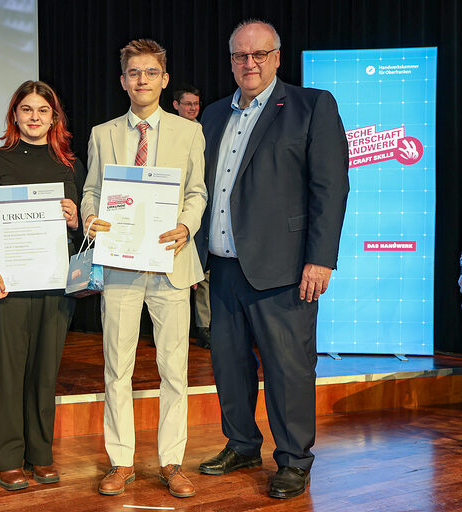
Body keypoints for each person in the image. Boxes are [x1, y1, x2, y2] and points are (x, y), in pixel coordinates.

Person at [194, 20, 349, 499]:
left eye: (259, 54)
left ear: (277, 57)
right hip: (222, 267)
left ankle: (294, 459)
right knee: (229, 365)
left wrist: (320, 260)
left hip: (285, 270)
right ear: (231, 62)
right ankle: (242, 444)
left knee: (288, 369)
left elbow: (330, 188)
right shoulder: (213, 115)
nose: (250, 63)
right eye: (241, 56)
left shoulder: (311, 106)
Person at [82, 39, 207, 499]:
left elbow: (197, 192)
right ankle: (122, 461)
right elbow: (91, 190)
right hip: (120, 266)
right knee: (117, 367)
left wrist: (186, 226)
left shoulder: (189, 132)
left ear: (164, 79)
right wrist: (90, 216)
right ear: (123, 80)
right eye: (134, 72)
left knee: (174, 368)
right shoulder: (103, 133)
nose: (142, 80)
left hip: (171, 264)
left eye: (151, 72)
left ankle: (172, 461)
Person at [0, 81, 83, 491]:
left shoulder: (69, 165)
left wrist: (75, 220)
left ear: (54, 118)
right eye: (26, 109)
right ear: (14, 115)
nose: (34, 117)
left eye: (42, 110)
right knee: (5, 371)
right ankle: (5, 457)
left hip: (54, 284)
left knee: (44, 371)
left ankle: (40, 453)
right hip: (6, 283)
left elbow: (80, 231)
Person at [172, 85, 211, 348]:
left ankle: (203, 328)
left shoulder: (205, 131)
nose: (193, 108)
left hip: (200, 212)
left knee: (203, 274)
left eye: (196, 104)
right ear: (176, 105)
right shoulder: (167, 132)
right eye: (187, 104)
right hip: (171, 214)